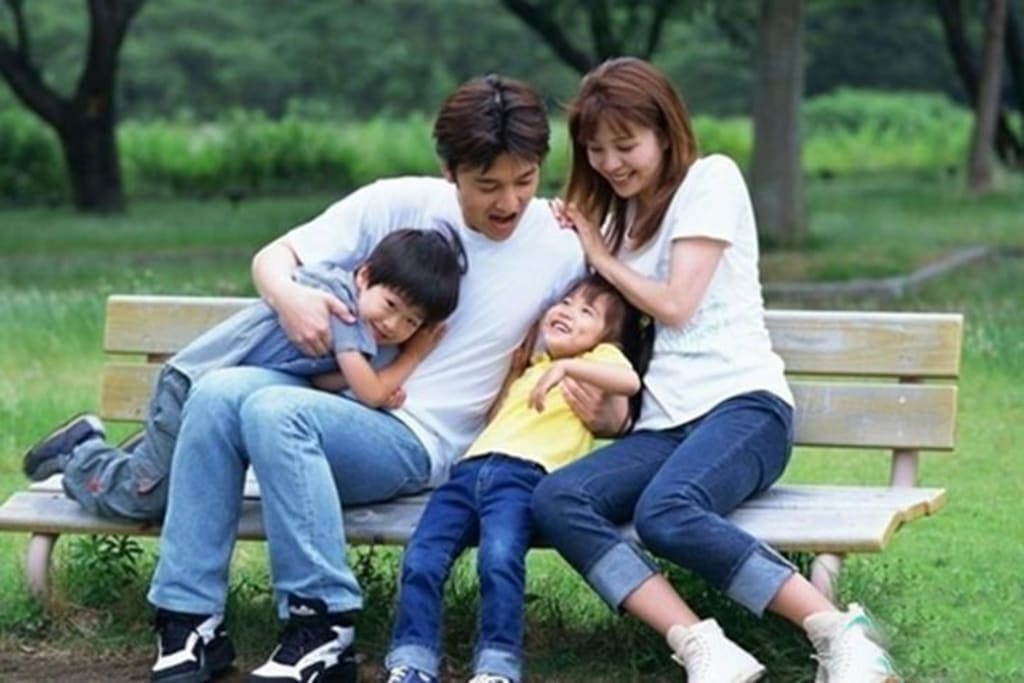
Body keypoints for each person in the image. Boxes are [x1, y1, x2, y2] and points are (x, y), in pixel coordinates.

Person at [144, 74, 629, 683]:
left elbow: (603, 342)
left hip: (419, 441)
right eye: (487, 186)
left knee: (274, 411)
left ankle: (321, 628)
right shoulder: (396, 202)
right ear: (449, 171)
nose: (508, 202)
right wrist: (289, 298)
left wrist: (609, 411)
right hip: (339, 410)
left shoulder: (560, 245)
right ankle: (189, 620)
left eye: (524, 181)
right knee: (217, 392)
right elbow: (274, 259)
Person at [533, 58, 901, 683]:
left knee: (667, 511)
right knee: (558, 498)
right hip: (664, 426)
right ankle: (704, 646)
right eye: (595, 149)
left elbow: (677, 305)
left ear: (665, 132)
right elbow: (636, 352)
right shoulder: (617, 222)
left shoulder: (712, 180)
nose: (610, 163)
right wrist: (612, 413)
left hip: (746, 409)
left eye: (625, 144)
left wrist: (598, 252)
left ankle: (839, 631)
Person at [21, 228, 464, 520]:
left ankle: (145, 454)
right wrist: (412, 357)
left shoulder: (360, 323)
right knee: (144, 500)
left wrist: (374, 380)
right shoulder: (342, 308)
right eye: (391, 306)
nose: (393, 325)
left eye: (411, 322)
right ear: (364, 277)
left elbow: (325, 379)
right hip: (194, 389)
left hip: (222, 404)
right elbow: (368, 394)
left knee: (167, 486)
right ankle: (79, 450)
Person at [385, 274, 642, 683]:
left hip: (524, 478)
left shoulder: (599, 360)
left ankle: (496, 667)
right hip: (467, 472)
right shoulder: (534, 368)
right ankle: (413, 661)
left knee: (499, 559)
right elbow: (496, 419)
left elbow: (629, 382)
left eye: (586, 312)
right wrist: (514, 373)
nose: (569, 311)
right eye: (566, 302)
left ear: (606, 338)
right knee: (422, 557)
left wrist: (567, 367)